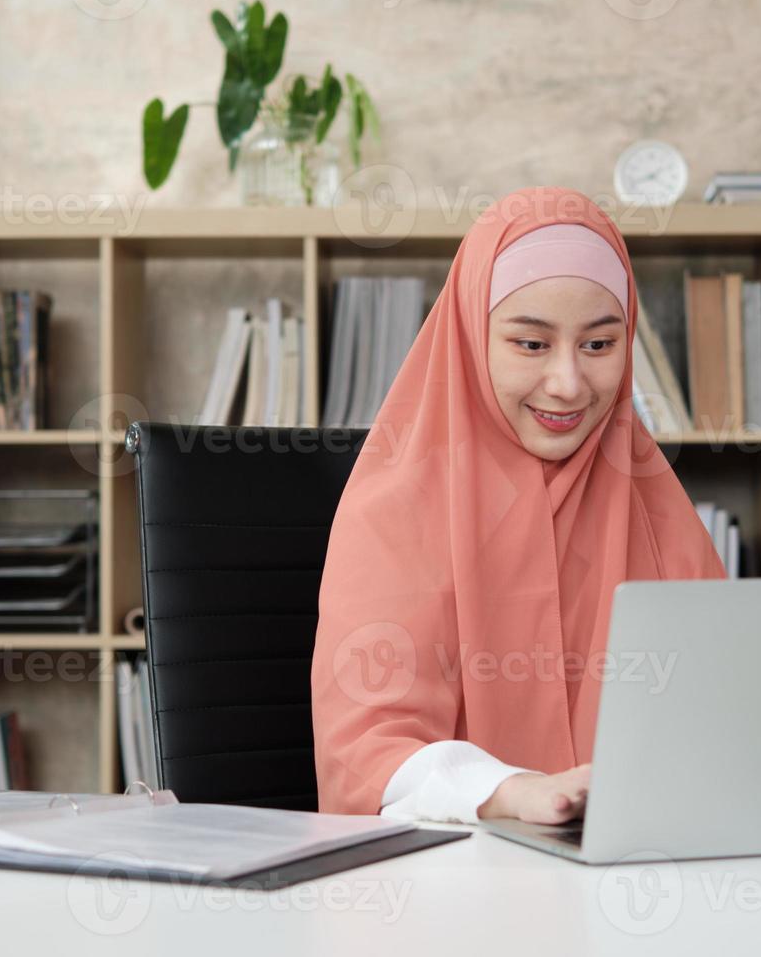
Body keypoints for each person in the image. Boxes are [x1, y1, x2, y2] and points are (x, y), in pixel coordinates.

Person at [311, 186, 726, 825]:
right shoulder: (391, 516)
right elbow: (367, 755)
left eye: (598, 344)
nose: (567, 384)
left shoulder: (658, 513)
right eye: (531, 344)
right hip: (449, 892)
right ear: (472, 341)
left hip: (631, 884)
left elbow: (721, 721)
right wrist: (506, 792)